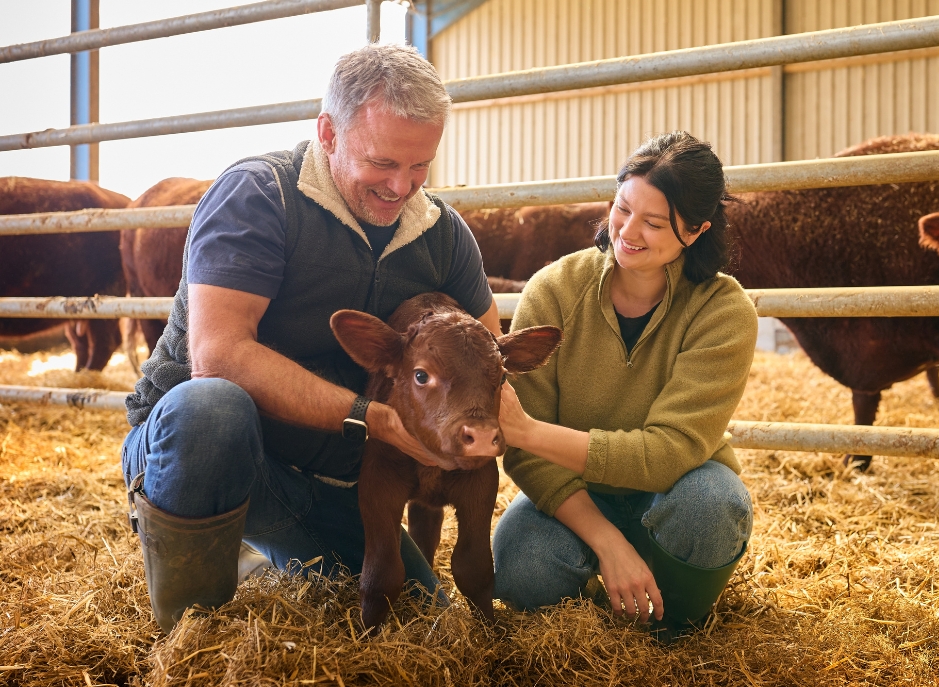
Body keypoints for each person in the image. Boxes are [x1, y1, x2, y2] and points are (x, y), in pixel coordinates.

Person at [121, 44, 500, 633]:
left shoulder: (443, 235)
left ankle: (261, 549)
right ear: (328, 131)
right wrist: (369, 418)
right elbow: (217, 355)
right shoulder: (258, 196)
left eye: (420, 165)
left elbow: (486, 358)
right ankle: (189, 633)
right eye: (382, 162)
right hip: (203, 450)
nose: (402, 186)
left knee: (418, 618)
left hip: (329, 482)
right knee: (212, 409)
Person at [493, 131, 758, 640]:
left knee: (713, 507)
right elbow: (526, 454)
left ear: (697, 230)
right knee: (521, 571)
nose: (628, 231)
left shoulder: (723, 311)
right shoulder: (553, 289)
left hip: (675, 490)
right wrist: (609, 542)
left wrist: (526, 432)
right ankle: (614, 569)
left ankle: (671, 622)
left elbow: (668, 452)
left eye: (654, 222)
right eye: (622, 208)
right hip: (577, 496)